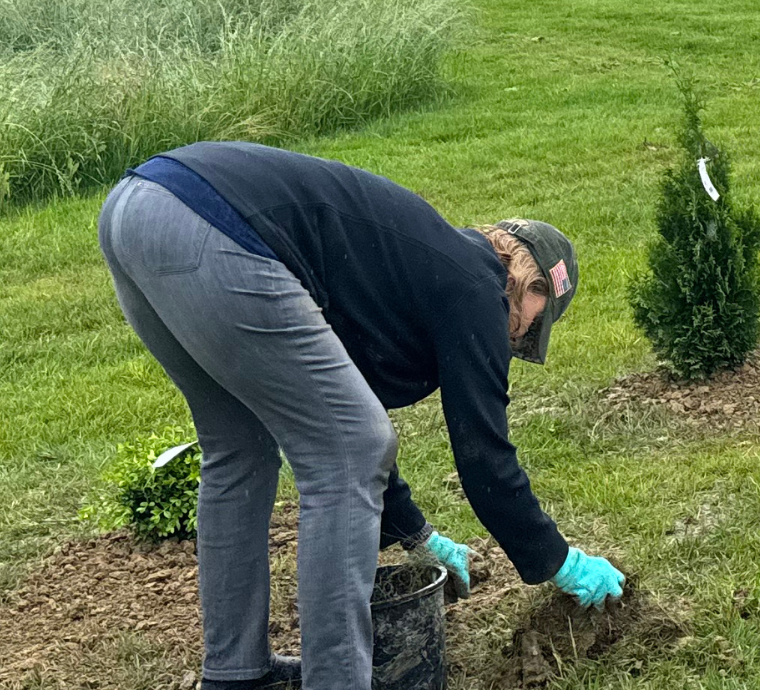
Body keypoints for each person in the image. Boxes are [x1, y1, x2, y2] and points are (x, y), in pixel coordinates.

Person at [96, 142, 626, 690]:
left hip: (140, 209)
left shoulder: (412, 272)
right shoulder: (477, 287)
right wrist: (559, 561)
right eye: (541, 315)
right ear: (528, 278)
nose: (525, 333)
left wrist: (414, 533)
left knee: (240, 448)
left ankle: (237, 674)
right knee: (349, 452)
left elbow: (345, 404)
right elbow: (483, 456)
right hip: (211, 223)